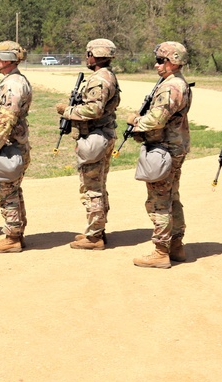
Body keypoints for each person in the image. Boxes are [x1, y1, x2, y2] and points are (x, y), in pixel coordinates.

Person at [126, 41, 192, 268]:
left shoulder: (170, 86)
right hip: (175, 147)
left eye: (161, 61)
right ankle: (176, 245)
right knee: (172, 196)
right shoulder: (178, 83)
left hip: (164, 150)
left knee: (159, 200)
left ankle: (161, 251)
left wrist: (135, 122)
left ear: (173, 62)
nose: (156, 65)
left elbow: (157, 119)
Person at [55, 38, 121, 251]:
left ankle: (94, 237)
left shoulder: (99, 79)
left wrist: (67, 111)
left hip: (95, 136)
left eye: (88, 53)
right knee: (98, 184)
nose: (86, 57)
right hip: (102, 135)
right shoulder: (107, 76)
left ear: (94, 55)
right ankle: (97, 229)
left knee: (92, 187)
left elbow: (94, 110)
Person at [0, 41, 32, 254]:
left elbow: (8, 116)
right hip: (15, 144)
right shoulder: (14, 80)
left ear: (6, 59)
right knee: (13, 190)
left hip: (10, 146)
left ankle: (12, 237)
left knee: (7, 193)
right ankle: (16, 233)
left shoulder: (13, 84)